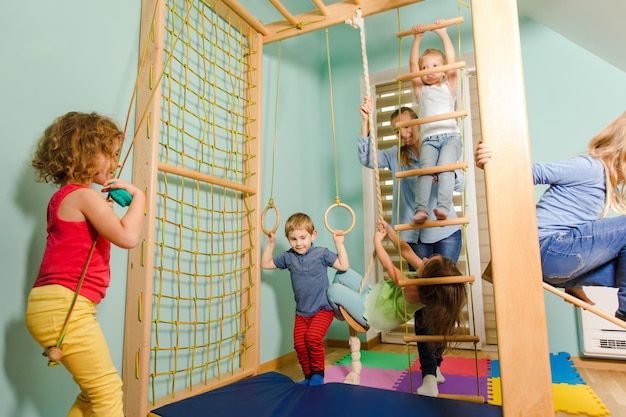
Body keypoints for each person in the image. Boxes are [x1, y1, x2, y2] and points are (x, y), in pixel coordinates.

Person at [25, 111, 146, 416]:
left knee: (93, 394)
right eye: (112, 154)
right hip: (64, 306)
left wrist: (101, 209)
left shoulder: (67, 197)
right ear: (88, 152)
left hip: (54, 306)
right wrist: (140, 199)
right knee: (107, 390)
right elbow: (128, 237)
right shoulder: (84, 197)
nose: (116, 162)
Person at [474, 111, 626, 321]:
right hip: (546, 248)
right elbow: (525, 173)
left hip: (557, 263)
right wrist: (490, 159)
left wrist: (573, 282)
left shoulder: (606, 183)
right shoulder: (590, 167)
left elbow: (583, 237)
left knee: (622, 262)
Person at [358, 97, 463, 394]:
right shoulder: (396, 156)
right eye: (396, 129)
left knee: (442, 300)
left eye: (406, 126)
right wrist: (366, 120)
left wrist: (442, 175)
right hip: (414, 237)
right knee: (419, 303)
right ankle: (428, 373)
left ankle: (437, 363)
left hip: (445, 232)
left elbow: (458, 184)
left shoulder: (441, 147)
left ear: (418, 123)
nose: (403, 133)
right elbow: (368, 158)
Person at [327, 219, 467, 397]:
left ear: (427, 277)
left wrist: (377, 242)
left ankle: (344, 313)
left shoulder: (414, 290)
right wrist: (389, 231)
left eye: (427, 261)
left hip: (369, 311)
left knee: (333, 290)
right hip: (372, 294)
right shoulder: (426, 280)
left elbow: (389, 267)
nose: (424, 259)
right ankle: (341, 311)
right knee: (342, 274)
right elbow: (406, 251)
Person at [261, 212, 349, 386]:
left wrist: (339, 244)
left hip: (323, 309)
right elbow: (265, 264)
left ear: (313, 235)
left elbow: (343, 265)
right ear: (287, 239)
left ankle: (318, 374)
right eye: (293, 239)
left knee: (313, 338)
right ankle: (308, 376)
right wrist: (270, 244)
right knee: (300, 344)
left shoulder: (321, 253)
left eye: (303, 237)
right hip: (301, 312)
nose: (299, 243)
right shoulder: (288, 257)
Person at [410, 20, 462, 224]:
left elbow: (452, 60)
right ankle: (421, 209)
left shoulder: (448, 87)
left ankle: (442, 207)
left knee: (445, 168)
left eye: (434, 66)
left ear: (443, 71)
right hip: (429, 139)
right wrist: (417, 39)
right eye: (425, 67)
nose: (428, 70)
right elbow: (413, 66)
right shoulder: (422, 91)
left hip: (451, 137)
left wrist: (443, 34)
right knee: (425, 171)